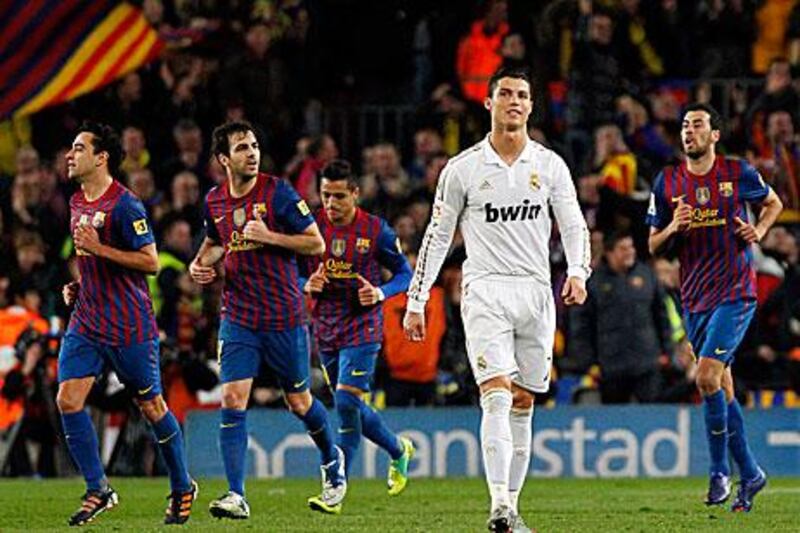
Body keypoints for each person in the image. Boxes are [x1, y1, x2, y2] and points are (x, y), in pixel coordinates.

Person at [403, 67, 591, 533]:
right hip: (485, 289)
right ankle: (499, 506)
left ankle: (514, 507)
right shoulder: (463, 168)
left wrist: (578, 271)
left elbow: (572, 224)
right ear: (488, 104)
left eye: (522, 95)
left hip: (535, 290)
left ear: (531, 106)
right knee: (496, 397)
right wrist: (416, 298)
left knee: (525, 400)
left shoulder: (549, 165)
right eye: (504, 93)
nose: (514, 101)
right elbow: (437, 234)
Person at [188, 121, 344, 520]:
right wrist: (199, 264)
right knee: (233, 398)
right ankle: (236, 494)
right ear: (224, 159)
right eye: (241, 148)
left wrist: (269, 237)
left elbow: (315, 242)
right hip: (239, 316)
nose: (252, 153)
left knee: (298, 401)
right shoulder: (214, 201)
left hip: (284, 317)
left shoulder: (278, 193)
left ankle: (331, 457)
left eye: (254, 145)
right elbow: (214, 242)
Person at [57, 122, 196, 526]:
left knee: (151, 406)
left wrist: (101, 249)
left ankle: (182, 484)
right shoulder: (76, 202)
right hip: (86, 321)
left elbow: (150, 262)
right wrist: (78, 286)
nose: (71, 154)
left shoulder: (126, 205)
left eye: (79, 148)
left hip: (130, 326)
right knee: (68, 400)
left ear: (101, 158)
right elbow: (92, 262)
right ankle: (98, 488)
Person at [647, 103, 783, 512]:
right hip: (695, 298)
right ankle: (753, 474)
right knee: (721, 386)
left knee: (706, 377)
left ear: (715, 134)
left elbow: (773, 202)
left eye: (698, 125)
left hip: (736, 292)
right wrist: (674, 227)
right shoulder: (667, 181)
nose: (689, 132)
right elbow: (653, 245)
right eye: (686, 126)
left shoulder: (737, 172)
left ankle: (719, 471)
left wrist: (757, 230)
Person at [299, 159, 415, 514]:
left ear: (355, 193)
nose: (331, 204)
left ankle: (336, 486)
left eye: (338, 197)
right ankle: (398, 449)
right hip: (326, 327)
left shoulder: (376, 230)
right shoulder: (310, 227)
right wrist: (307, 283)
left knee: (347, 404)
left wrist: (379, 293)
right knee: (350, 404)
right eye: (325, 196)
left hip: (363, 325)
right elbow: (288, 271)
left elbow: (404, 274)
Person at [567, 231, 672, 404]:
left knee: (652, 413)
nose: (629, 252)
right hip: (611, 366)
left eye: (631, 247)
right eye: (623, 249)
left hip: (647, 362)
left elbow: (662, 316)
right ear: (609, 253)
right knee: (614, 417)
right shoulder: (594, 282)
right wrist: (587, 363)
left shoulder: (647, 275)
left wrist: (667, 351)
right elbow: (581, 326)